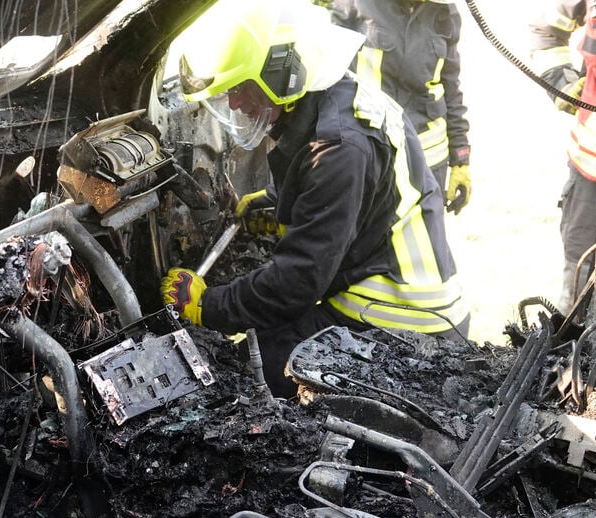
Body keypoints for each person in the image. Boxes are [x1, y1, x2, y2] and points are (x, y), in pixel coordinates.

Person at [159, 0, 468, 397]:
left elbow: (297, 283)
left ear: (280, 74)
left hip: (403, 321)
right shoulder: (337, 92)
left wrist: (209, 305)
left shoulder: (339, 147)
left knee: (239, 381)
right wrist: (279, 202)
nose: (234, 104)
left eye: (239, 89)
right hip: (395, 293)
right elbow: (362, 199)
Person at [317, 0, 472, 214]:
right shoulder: (355, 4)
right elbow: (325, 73)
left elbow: (451, 88)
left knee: (422, 239)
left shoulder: (445, 12)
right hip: (373, 153)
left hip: (429, 160)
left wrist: (460, 159)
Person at [530, 0, 596, 313]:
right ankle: (573, 356)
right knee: (581, 290)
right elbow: (545, 31)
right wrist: (562, 84)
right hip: (594, 173)